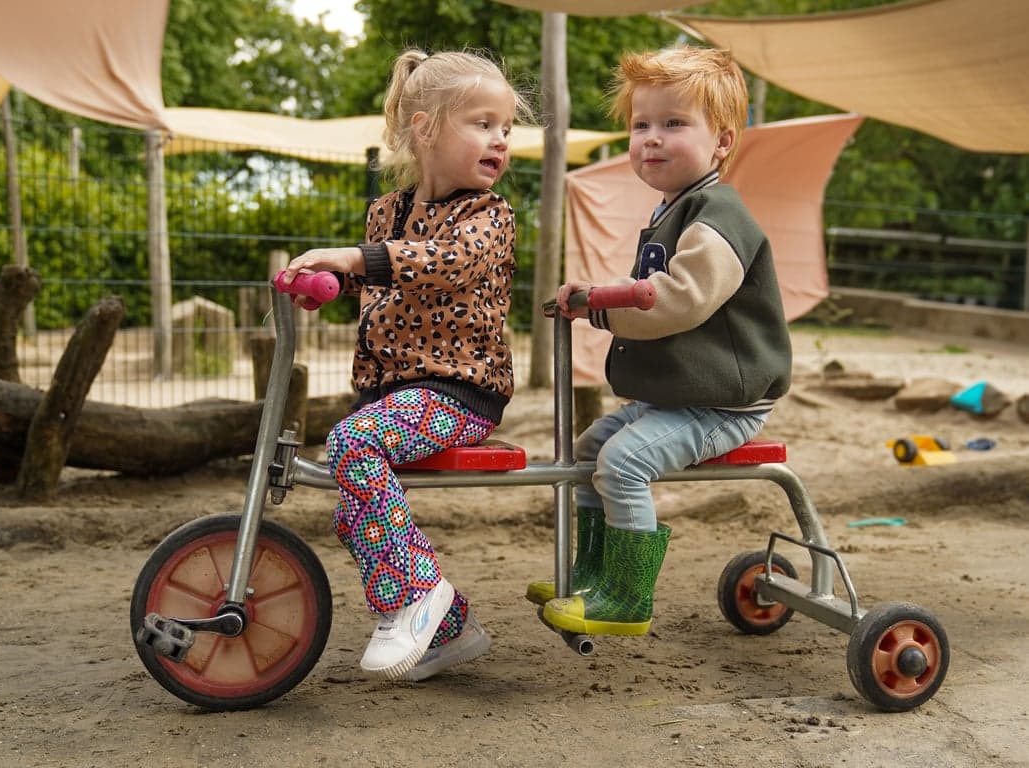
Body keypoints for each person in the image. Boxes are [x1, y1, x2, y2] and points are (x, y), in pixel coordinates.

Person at [281, 48, 531, 681]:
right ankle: (450, 632)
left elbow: (443, 262)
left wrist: (355, 259)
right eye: (482, 123)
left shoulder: (489, 216)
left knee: (352, 444)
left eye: (506, 127)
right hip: (394, 391)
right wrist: (325, 287)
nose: (499, 139)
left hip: (458, 388)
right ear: (426, 129)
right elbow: (384, 290)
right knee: (354, 500)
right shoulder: (386, 212)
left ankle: (414, 596)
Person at [531, 45, 792, 637]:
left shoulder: (719, 215)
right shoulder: (673, 210)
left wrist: (600, 306)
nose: (651, 138)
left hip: (724, 401)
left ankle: (627, 597)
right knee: (589, 450)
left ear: (722, 141)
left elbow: (679, 299)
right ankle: (593, 573)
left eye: (674, 124)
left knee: (624, 463)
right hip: (680, 396)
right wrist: (598, 297)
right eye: (640, 124)